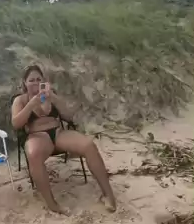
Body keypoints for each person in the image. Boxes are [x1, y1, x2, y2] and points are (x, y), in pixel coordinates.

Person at [11, 64, 117, 215]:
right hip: (37, 136)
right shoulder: (20, 100)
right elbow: (16, 124)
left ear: (43, 81)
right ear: (25, 83)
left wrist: (53, 98)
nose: (35, 83)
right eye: (31, 80)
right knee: (33, 154)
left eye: (38, 79)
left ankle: (108, 194)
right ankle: (52, 204)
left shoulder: (50, 95)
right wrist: (31, 104)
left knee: (88, 145)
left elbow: (68, 115)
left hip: (58, 133)